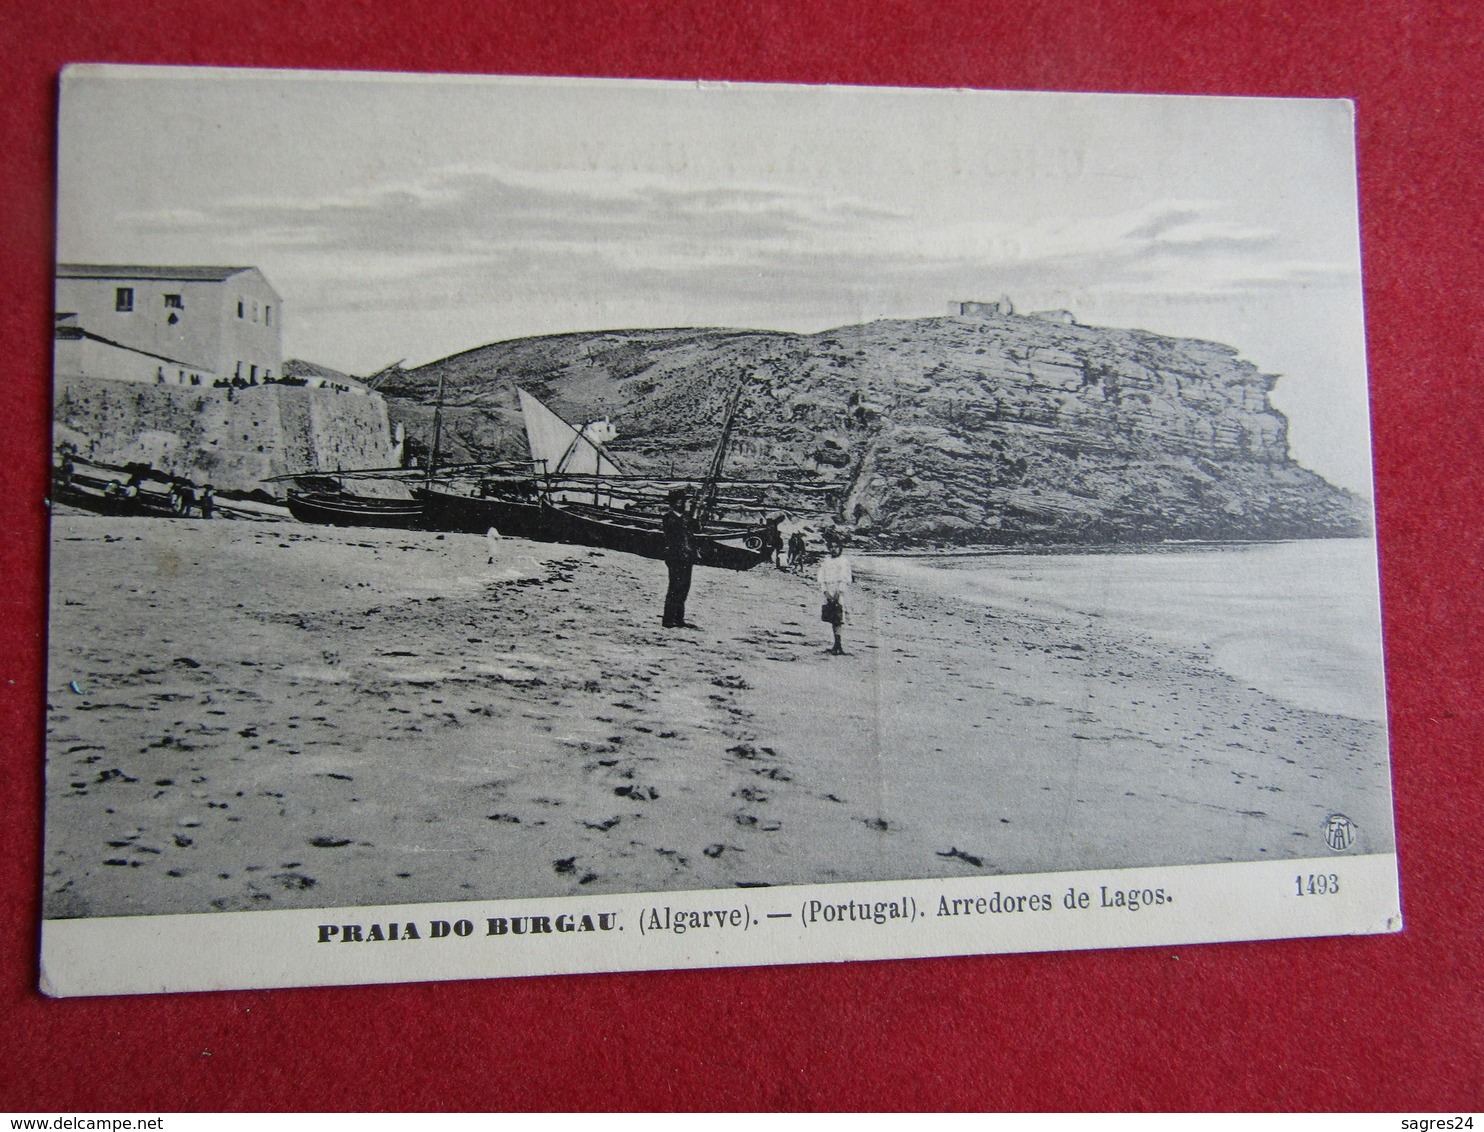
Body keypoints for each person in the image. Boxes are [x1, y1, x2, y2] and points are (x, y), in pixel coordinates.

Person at [661, 488, 699, 630]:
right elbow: (674, 538)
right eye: (680, 501)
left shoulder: (685, 517)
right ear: (674, 503)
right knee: (675, 587)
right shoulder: (669, 518)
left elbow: (697, 529)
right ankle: (668, 619)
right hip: (676, 557)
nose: (682, 503)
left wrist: (694, 514)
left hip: (687, 557)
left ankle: (679, 618)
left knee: (684, 587)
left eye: (683, 501)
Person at [818, 530, 852, 655]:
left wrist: (838, 593)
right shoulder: (826, 560)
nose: (833, 549)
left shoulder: (843, 561)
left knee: (838, 617)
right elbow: (821, 577)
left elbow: (844, 578)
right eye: (831, 547)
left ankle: (839, 644)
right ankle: (835, 644)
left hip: (838, 591)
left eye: (835, 547)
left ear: (840, 548)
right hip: (828, 590)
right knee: (831, 617)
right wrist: (826, 592)